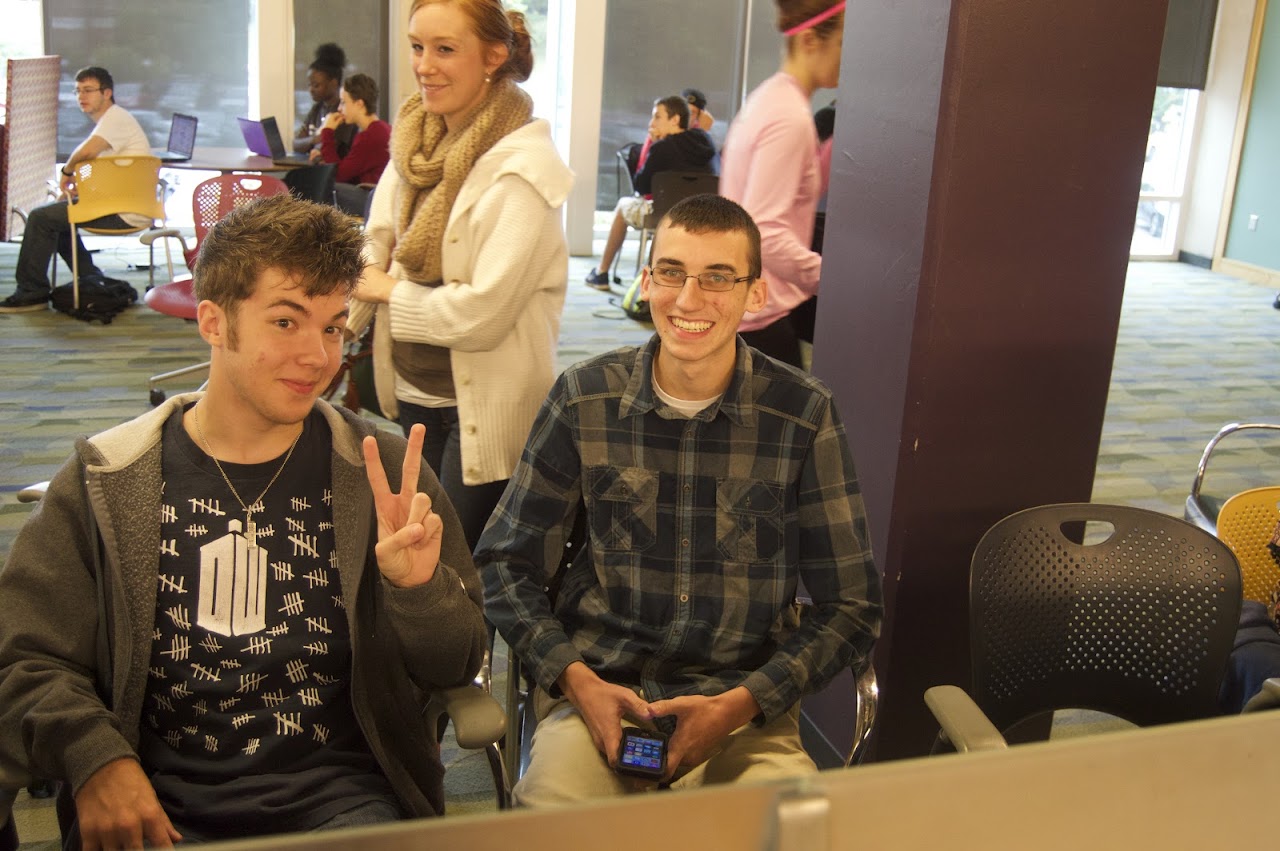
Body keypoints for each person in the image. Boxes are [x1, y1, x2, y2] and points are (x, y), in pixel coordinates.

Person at [0, 195, 487, 845]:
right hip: (154, 804)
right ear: (213, 322)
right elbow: (25, 658)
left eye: (334, 327)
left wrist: (417, 591)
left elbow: (459, 668)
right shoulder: (109, 479)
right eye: (286, 322)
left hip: (341, 803)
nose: (318, 357)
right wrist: (96, 757)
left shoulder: (382, 473)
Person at [478, 194, 882, 806]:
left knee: (793, 833)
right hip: (599, 697)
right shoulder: (584, 399)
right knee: (548, 827)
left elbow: (852, 604)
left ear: (756, 294)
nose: (688, 300)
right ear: (646, 279)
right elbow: (505, 563)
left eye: (718, 278)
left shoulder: (801, 416)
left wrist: (739, 705)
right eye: (671, 272)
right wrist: (577, 681)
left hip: (742, 712)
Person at [352, 0, 573, 553]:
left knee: (459, 567)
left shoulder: (523, 172)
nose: (424, 65)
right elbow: (374, 242)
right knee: (422, 554)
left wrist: (386, 291)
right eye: (417, 47)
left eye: (445, 49)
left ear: (493, 57)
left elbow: (480, 316)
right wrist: (329, 329)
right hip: (414, 389)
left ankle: (469, 644)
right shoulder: (416, 142)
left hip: (481, 413)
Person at [719, 0, 845, 368]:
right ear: (810, 40)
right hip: (760, 318)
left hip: (749, 308)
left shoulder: (769, 99)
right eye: (841, 44)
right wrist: (831, 277)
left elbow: (773, 203)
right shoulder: (789, 117)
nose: (845, 57)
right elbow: (765, 230)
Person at [0, 66, 151, 313]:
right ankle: (90, 276)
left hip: (124, 211)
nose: (82, 96)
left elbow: (86, 153)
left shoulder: (116, 118)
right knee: (55, 217)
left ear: (107, 93)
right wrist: (79, 193)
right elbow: (109, 172)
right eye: (78, 91)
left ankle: (31, 293)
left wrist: (67, 173)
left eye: (89, 90)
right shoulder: (110, 121)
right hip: (117, 203)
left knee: (40, 217)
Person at [584, 95, 715, 290]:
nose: (651, 122)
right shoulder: (707, 142)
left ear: (675, 120)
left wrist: (653, 145)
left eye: (657, 117)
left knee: (623, 205)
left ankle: (601, 273)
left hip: (663, 216)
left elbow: (641, 186)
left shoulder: (662, 147)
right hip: (701, 217)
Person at [314, 72, 392, 217]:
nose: (339, 108)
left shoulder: (370, 135)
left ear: (359, 104)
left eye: (343, 102)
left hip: (373, 198)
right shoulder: (379, 128)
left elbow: (337, 175)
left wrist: (327, 132)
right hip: (375, 194)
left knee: (323, 187)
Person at [294, 43, 353, 156]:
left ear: (333, 83)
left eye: (316, 85)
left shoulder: (343, 112)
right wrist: (313, 139)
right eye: (309, 85)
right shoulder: (317, 108)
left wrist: (311, 142)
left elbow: (327, 150)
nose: (311, 90)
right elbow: (296, 143)